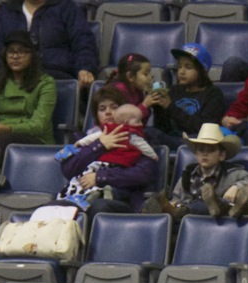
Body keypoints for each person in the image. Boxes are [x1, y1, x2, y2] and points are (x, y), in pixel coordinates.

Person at [54, 86, 156, 215]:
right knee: (50, 208)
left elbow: (142, 174)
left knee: (96, 206)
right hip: (79, 195)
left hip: (120, 199)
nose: (108, 112)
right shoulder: (89, 140)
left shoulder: (136, 138)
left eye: (114, 107)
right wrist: (99, 145)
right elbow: (68, 170)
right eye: (102, 109)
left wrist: (101, 177)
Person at [144, 122, 248, 222]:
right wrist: (174, 203)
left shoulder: (233, 173)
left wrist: (237, 187)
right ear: (195, 154)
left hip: (219, 218)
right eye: (201, 150)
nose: (205, 154)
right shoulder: (188, 175)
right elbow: (177, 197)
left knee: (207, 202)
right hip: (190, 220)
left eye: (210, 150)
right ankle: (165, 212)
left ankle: (177, 212)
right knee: (151, 204)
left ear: (222, 155)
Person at [0, 29, 57, 149]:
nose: (15, 56)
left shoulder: (46, 83)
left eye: (21, 52)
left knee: (7, 141)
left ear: (33, 55)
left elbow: (39, 125)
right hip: (0, 132)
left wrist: (8, 129)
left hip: (35, 138)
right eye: (10, 51)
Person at [0, 0, 97, 87]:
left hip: (55, 74)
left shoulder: (67, 9)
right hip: (11, 73)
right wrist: (10, 67)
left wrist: (84, 68)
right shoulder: (6, 12)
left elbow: (84, 41)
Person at [143, 42, 225, 151]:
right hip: (172, 139)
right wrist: (157, 107)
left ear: (202, 70)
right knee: (146, 132)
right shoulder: (174, 90)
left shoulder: (213, 94)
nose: (181, 72)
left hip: (198, 142)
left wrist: (170, 106)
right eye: (179, 66)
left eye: (188, 67)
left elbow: (204, 129)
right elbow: (163, 128)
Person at [106, 52, 152, 122]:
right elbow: (124, 120)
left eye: (150, 74)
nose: (150, 78)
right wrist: (145, 105)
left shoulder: (138, 90)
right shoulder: (117, 91)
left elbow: (141, 122)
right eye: (146, 74)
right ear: (130, 76)